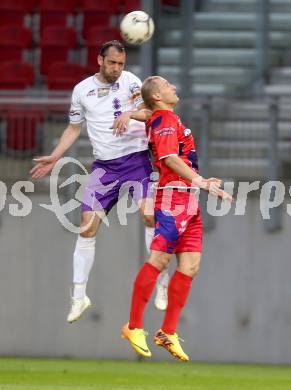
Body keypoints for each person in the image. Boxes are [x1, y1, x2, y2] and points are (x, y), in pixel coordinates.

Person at [30, 40, 170, 323]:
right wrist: (56, 156)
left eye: (121, 63)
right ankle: (79, 297)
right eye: (112, 63)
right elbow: (73, 127)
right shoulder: (82, 90)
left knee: (148, 216)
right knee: (86, 226)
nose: (117, 68)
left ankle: (161, 280)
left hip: (136, 159)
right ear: (100, 60)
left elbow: (151, 113)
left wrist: (131, 113)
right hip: (105, 166)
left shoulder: (131, 81)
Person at [121, 76, 233, 361]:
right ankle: (133, 326)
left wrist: (132, 112)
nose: (173, 86)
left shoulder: (162, 117)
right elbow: (170, 158)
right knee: (159, 260)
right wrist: (201, 181)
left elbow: (149, 115)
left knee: (191, 265)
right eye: (167, 85)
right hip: (174, 198)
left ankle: (167, 332)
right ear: (158, 96)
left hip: (187, 200)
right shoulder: (166, 120)